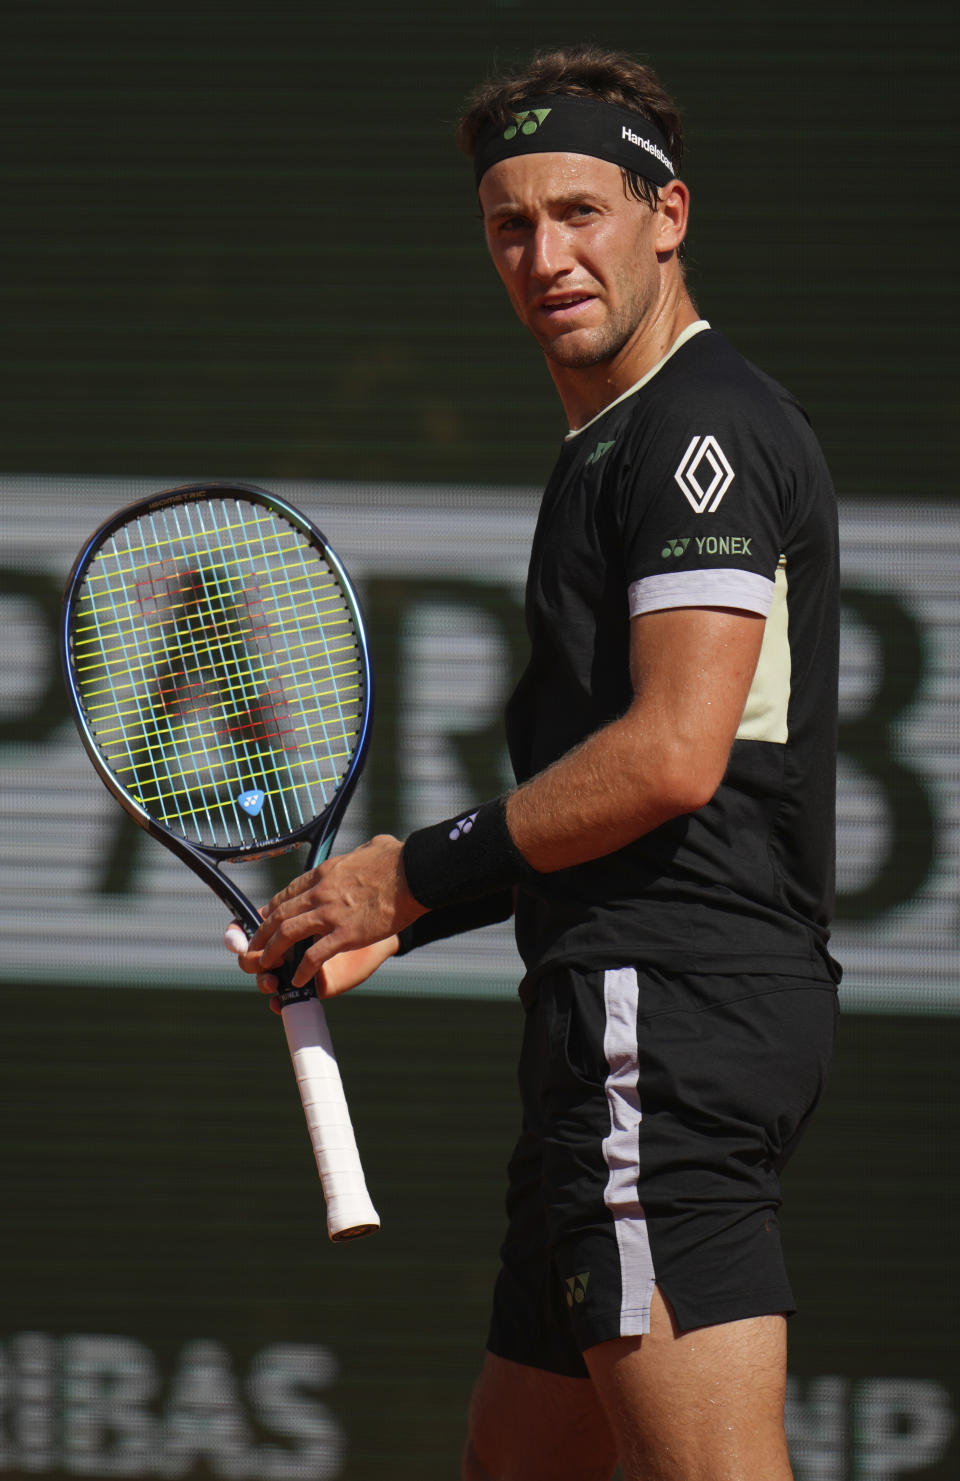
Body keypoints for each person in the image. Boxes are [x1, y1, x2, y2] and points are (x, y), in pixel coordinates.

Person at [234, 43, 841, 1481]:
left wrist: (409, 874)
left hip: (664, 1016)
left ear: (666, 214)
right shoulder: (612, 446)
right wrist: (405, 913)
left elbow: (674, 758)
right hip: (620, 1014)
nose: (545, 254)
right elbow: (610, 787)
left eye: (582, 212)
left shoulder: (696, 429)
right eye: (512, 223)